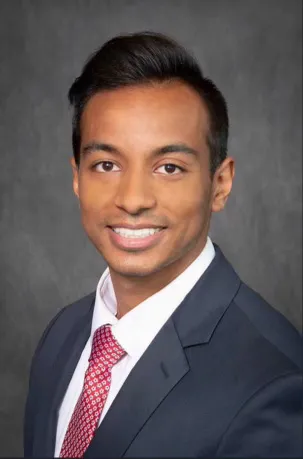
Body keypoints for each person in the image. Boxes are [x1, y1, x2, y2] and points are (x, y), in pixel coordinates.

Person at [23, 31, 302, 458]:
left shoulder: (275, 384)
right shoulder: (62, 335)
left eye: (169, 167)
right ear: (77, 177)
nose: (133, 199)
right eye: (106, 164)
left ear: (220, 184)